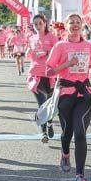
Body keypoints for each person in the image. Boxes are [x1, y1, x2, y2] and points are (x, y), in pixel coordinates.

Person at [46, 13, 91, 181]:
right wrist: (67, 64)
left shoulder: (89, 46)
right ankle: (65, 153)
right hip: (65, 93)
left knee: (80, 132)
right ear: (66, 26)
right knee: (67, 133)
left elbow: (90, 66)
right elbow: (49, 72)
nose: (75, 25)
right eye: (72, 23)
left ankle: (80, 175)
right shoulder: (60, 46)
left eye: (78, 22)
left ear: (82, 25)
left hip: (84, 92)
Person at [26, 14, 57, 143]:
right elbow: (29, 55)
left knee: (49, 104)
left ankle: (49, 123)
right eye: (36, 24)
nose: (38, 26)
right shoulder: (32, 38)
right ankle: (43, 133)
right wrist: (30, 53)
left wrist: (47, 52)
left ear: (45, 24)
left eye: (40, 23)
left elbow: (58, 52)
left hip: (50, 75)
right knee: (41, 105)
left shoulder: (52, 37)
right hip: (35, 74)